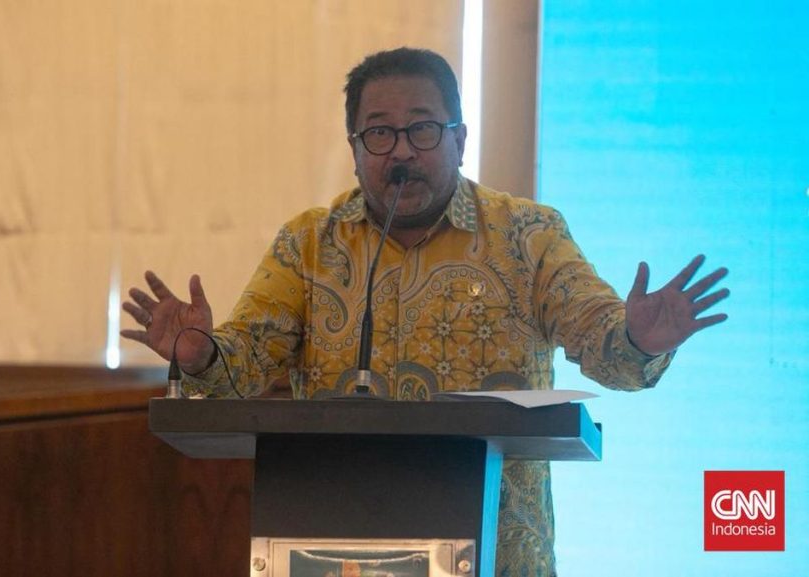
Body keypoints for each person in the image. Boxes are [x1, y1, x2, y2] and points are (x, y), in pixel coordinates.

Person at [121, 47, 729, 575]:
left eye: (423, 129)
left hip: (497, 552)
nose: (402, 152)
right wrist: (200, 355)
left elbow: (600, 338)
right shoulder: (310, 245)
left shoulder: (527, 235)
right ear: (354, 149)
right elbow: (243, 363)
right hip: (335, 551)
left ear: (460, 140)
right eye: (379, 134)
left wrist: (637, 339)